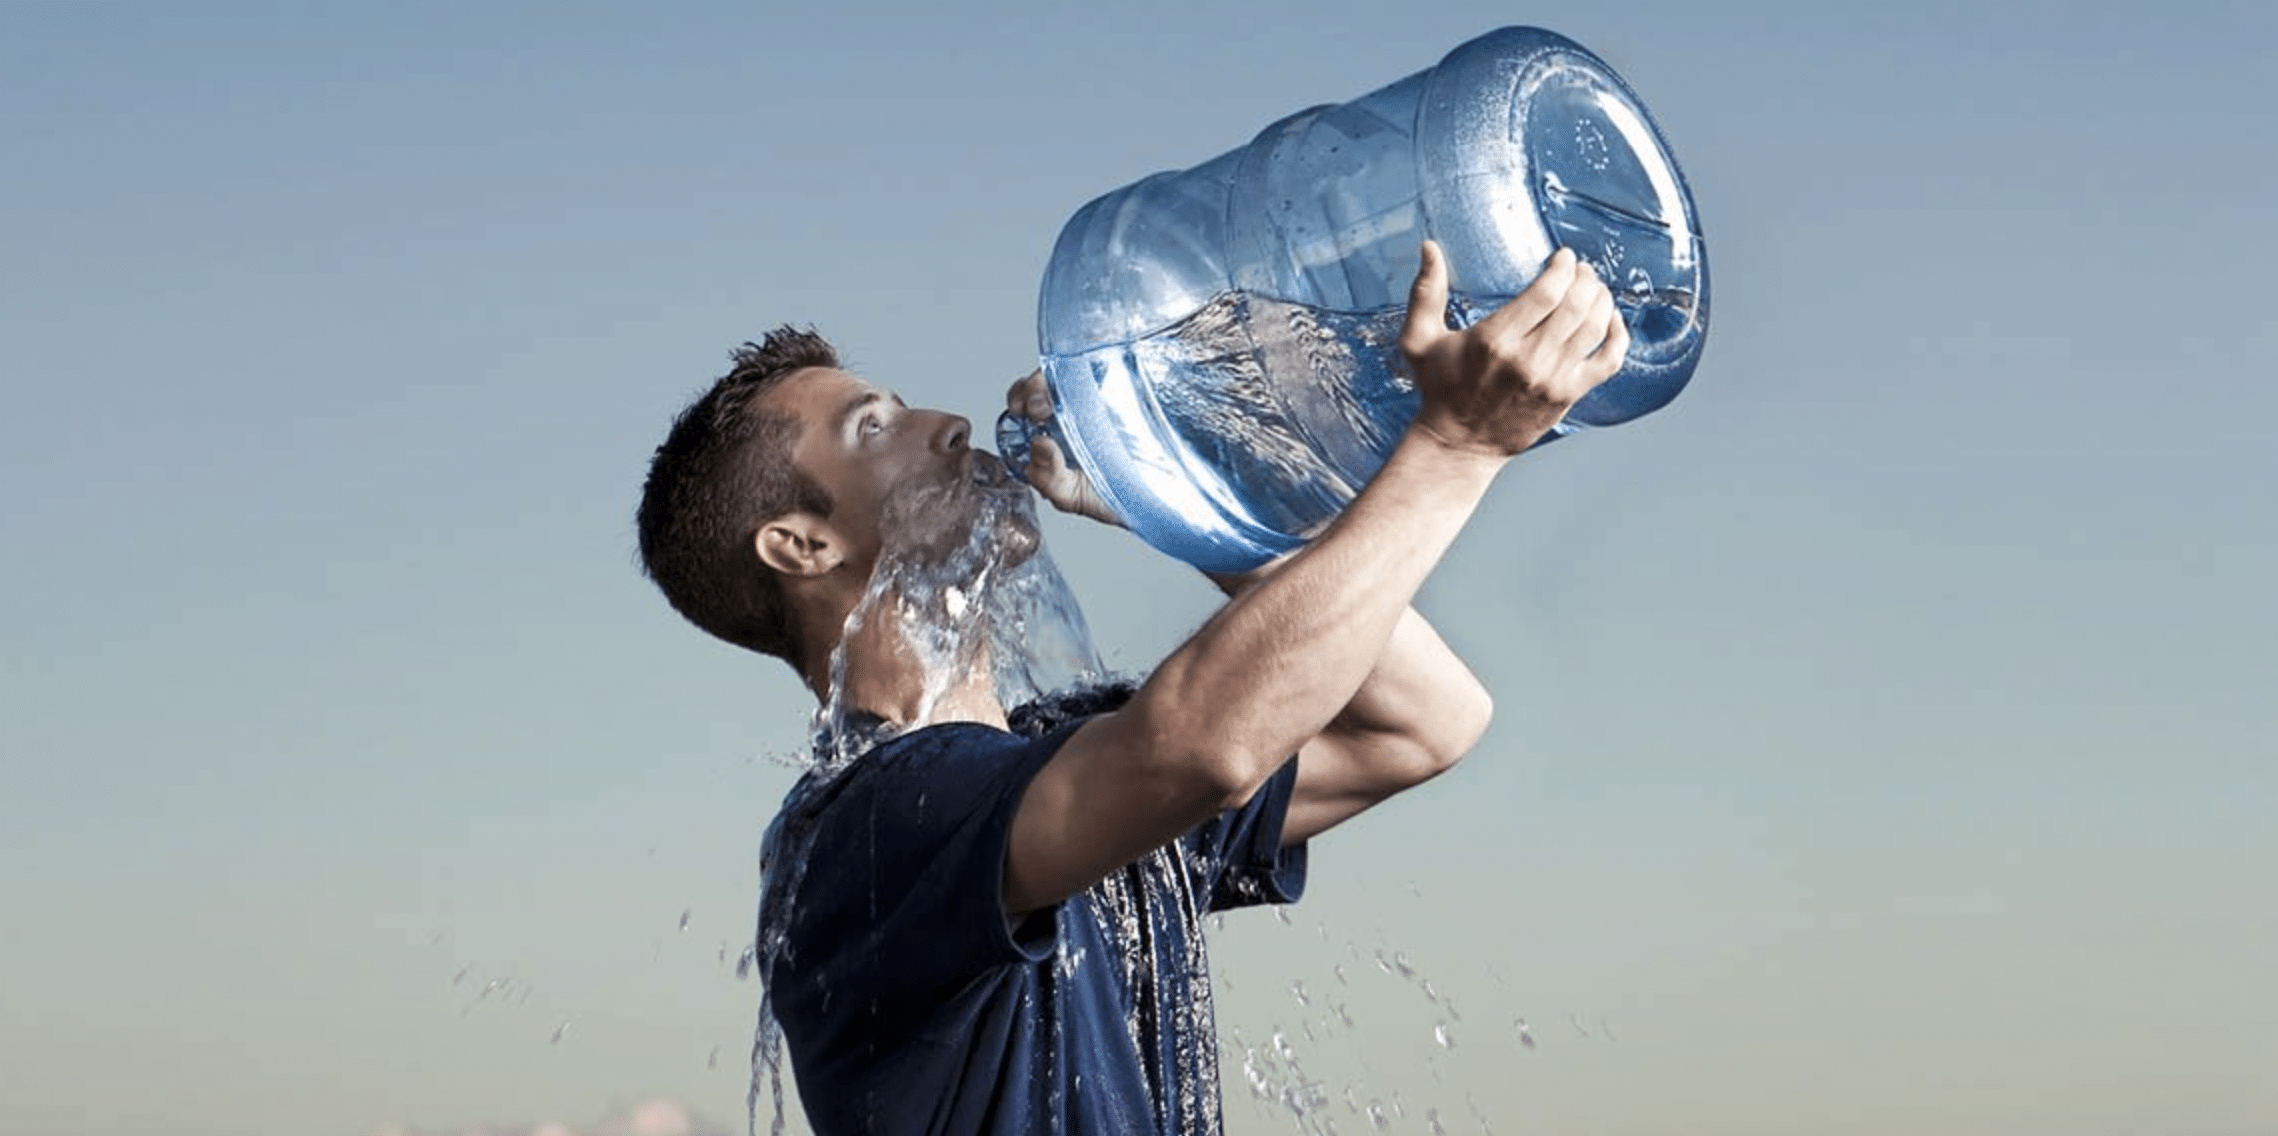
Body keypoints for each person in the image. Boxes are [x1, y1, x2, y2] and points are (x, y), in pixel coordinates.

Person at [635, 243, 1630, 1135]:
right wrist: (1453, 447)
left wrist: (1183, 499)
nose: (944, 425)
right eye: (875, 427)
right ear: (801, 545)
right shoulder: (863, 829)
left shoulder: (1061, 773)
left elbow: (1420, 722)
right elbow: (1199, 746)